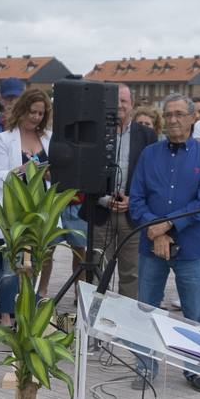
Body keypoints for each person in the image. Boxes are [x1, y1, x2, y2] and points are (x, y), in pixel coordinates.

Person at [127, 96, 200, 390]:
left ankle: (193, 369)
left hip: (191, 247)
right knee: (146, 308)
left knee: (194, 312)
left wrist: (167, 225)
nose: (173, 120)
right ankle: (145, 366)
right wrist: (157, 230)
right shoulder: (149, 154)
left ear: (194, 119)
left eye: (179, 114)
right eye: (167, 114)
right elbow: (137, 199)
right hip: (152, 245)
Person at [82, 84, 157, 299]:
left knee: (131, 273)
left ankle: (126, 326)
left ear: (132, 104)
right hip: (101, 212)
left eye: (123, 101)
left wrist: (133, 200)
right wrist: (104, 200)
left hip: (132, 215)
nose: (119, 106)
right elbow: (85, 171)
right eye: (115, 101)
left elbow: (152, 176)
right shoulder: (94, 133)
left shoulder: (147, 135)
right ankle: (94, 320)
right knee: (96, 270)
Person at [0, 88, 54, 324]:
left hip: (40, 210)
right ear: (22, 110)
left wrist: (49, 176)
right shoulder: (4, 138)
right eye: (32, 112)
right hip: (14, 210)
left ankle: (28, 307)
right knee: (11, 262)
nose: (35, 117)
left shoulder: (48, 137)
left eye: (40, 113)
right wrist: (22, 171)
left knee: (35, 261)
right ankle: (6, 314)